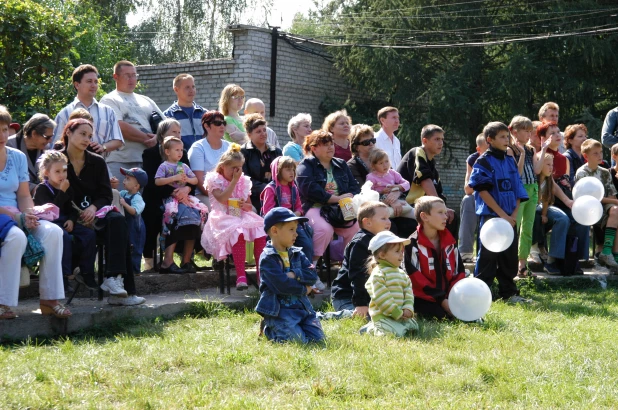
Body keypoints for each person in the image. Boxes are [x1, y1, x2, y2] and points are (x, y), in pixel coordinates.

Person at [59, 118, 145, 305]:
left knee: (118, 221)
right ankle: (125, 293)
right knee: (118, 230)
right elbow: (53, 192)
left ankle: (113, 279)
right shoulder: (58, 160)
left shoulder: (97, 162)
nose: (86, 139)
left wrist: (93, 207)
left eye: (89, 136)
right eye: (82, 134)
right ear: (68, 133)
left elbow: (106, 194)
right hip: (68, 217)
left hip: (96, 213)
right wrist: (77, 214)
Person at [0, 105, 70, 319]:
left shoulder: (18, 156)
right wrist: (16, 217)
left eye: (4, 129)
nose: (2, 135)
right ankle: (4, 303)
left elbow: (23, 194)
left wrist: (29, 214)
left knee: (53, 232)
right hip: (5, 217)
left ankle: (50, 299)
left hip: (17, 213)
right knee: (16, 237)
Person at [468, 121, 530, 304]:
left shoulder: (510, 160)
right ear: (490, 140)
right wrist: (502, 215)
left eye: (507, 136)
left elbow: (518, 188)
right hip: (491, 218)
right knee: (487, 256)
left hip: (510, 218)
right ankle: (481, 293)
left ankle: (509, 293)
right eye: (502, 137)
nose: (507, 140)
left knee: (508, 256)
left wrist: (514, 214)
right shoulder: (483, 161)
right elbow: (482, 190)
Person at [201, 144, 267, 290]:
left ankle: (261, 274)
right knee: (239, 232)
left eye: (240, 167)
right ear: (223, 166)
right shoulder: (214, 179)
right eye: (233, 168)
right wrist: (234, 181)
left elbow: (250, 206)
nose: (237, 171)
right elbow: (223, 199)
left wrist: (245, 205)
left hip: (239, 214)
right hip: (221, 217)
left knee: (261, 230)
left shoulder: (243, 180)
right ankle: (241, 276)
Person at [296, 130, 360, 275]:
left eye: (331, 143)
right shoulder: (305, 166)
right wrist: (337, 198)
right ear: (314, 148)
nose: (331, 147)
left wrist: (347, 197)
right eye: (325, 144)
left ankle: (348, 269)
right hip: (315, 207)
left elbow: (354, 187)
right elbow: (310, 191)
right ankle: (310, 269)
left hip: (341, 208)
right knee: (324, 229)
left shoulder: (341, 164)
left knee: (355, 227)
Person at [256, 207, 324, 343]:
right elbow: (282, 285)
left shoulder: (298, 253)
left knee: (318, 340)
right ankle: (269, 329)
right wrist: (305, 289)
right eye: (291, 229)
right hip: (280, 311)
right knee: (298, 341)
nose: (296, 234)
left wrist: (294, 274)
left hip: (302, 308)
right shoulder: (268, 258)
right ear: (275, 231)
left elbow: (312, 274)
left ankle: (291, 328)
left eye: (296, 229)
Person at [33, 150, 97, 292]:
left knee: (89, 234)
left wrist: (72, 220)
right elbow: (50, 211)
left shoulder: (68, 187)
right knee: (64, 237)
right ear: (46, 173)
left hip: (64, 221)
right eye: (57, 171)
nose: (62, 175)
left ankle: (86, 272)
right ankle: (64, 275)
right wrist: (61, 192)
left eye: (64, 170)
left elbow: (72, 209)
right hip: (49, 223)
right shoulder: (42, 189)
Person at [142, 119, 196, 274]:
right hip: (156, 196)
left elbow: (189, 177)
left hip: (181, 196)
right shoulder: (150, 154)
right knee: (162, 214)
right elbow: (151, 181)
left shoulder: (182, 153)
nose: (178, 135)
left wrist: (186, 188)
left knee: (194, 214)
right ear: (162, 135)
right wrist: (173, 192)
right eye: (174, 132)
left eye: (179, 132)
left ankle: (186, 260)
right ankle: (157, 262)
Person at [101, 60, 164, 180]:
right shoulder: (109, 100)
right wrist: (148, 139)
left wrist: (158, 137)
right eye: (127, 75)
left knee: (144, 199)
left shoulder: (147, 100)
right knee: (122, 197)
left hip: (148, 160)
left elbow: (167, 125)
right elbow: (119, 126)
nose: (132, 79)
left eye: (134, 75)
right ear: (116, 77)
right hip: (121, 161)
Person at [405, 196, 465, 320]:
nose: (446, 217)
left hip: (449, 296)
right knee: (440, 316)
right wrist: (442, 300)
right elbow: (416, 280)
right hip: (423, 297)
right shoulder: (411, 244)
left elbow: (458, 272)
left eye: (445, 212)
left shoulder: (450, 241)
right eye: (440, 213)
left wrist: (452, 297)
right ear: (424, 216)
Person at [330, 201, 391, 319]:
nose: (388, 222)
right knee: (368, 318)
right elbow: (358, 275)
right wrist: (361, 304)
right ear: (367, 222)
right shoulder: (361, 243)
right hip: (347, 296)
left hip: (372, 297)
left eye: (388, 218)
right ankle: (322, 316)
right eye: (383, 218)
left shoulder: (385, 241)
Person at [155, 136, 207, 273]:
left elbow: (195, 180)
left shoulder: (183, 166)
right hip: (171, 201)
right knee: (173, 218)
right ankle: (168, 261)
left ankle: (187, 260)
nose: (180, 153)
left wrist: (187, 179)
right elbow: (157, 182)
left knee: (196, 218)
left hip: (186, 199)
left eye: (181, 150)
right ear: (167, 151)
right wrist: (174, 178)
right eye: (176, 150)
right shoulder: (164, 166)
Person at [398, 124, 458, 238]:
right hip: (405, 207)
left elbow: (439, 193)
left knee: (452, 217)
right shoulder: (417, 152)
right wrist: (441, 209)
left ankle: (448, 254)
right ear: (425, 140)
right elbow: (424, 180)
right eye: (436, 139)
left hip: (420, 208)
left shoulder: (433, 168)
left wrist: (444, 209)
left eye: (442, 139)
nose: (441, 143)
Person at [52, 64, 124, 156]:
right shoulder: (65, 114)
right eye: (89, 81)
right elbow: (55, 144)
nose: (93, 85)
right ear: (77, 85)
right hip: (70, 166)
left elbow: (118, 140)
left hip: (100, 165)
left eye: (96, 82)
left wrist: (103, 147)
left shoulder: (108, 111)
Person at [362, 231, 418, 337]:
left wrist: (408, 308)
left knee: (413, 328)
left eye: (402, 251)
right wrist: (395, 312)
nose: (401, 254)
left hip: (401, 315)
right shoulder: (378, 274)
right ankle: (372, 328)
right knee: (392, 333)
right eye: (397, 251)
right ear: (382, 255)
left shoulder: (402, 274)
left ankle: (398, 326)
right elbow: (381, 296)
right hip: (384, 316)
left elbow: (408, 293)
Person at [575, 139, 618, 271]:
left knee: (616, 211)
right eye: (595, 153)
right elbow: (590, 198)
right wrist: (616, 201)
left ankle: (608, 252)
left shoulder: (605, 172)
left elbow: (611, 194)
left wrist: (615, 202)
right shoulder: (582, 173)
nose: (600, 156)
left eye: (601, 152)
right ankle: (613, 256)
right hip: (587, 207)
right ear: (586, 156)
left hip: (603, 205)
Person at [260, 156, 313, 261]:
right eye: (288, 169)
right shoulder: (271, 189)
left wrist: (294, 216)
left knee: (306, 246)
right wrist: (285, 218)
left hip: (293, 223)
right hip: (277, 226)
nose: (292, 172)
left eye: (293, 169)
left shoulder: (294, 188)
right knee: (281, 251)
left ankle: (307, 272)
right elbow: (268, 211)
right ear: (278, 171)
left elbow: (299, 208)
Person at [509, 115, 543, 278]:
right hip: (519, 190)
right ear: (514, 131)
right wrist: (521, 154)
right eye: (525, 131)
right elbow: (517, 173)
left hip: (533, 188)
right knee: (514, 227)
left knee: (527, 228)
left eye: (530, 131)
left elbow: (537, 171)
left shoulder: (531, 149)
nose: (529, 135)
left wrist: (544, 149)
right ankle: (511, 262)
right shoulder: (510, 149)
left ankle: (522, 264)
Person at [535, 153, 578, 275]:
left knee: (563, 218)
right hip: (531, 208)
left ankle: (552, 260)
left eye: (552, 165)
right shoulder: (533, 177)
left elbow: (546, 199)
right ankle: (537, 250)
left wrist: (567, 201)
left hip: (543, 207)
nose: (551, 168)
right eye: (548, 164)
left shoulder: (549, 179)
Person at [188, 110, 231, 208]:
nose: (222, 126)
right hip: (204, 195)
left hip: (229, 194)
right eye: (217, 123)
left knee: (250, 211)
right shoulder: (198, 148)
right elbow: (200, 182)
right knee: (220, 211)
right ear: (206, 126)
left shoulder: (230, 147)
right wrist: (221, 198)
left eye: (223, 123)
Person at [240, 114, 282, 211]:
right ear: (249, 134)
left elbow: (281, 175)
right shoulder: (243, 152)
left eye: (264, 130)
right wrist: (267, 188)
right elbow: (244, 179)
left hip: (275, 196)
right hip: (252, 198)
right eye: (258, 131)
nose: (263, 133)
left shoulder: (276, 152)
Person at [7, 114, 56, 193]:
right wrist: (34, 188)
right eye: (47, 137)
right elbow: (9, 178)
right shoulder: (9, 145)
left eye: (51, 136)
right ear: (34, 134)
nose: (50, 140)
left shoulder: (46, 148)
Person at [458, 134, 488, 262]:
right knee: (468, 200)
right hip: (479, 195)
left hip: (497, 199)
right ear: (478, 150)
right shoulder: (473, 160)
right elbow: (468, 189)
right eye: (487, 150)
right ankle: (465, 252)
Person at [366, 149, 415, 219]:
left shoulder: (393, 173)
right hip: (382, 201)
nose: (385, 165)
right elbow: (368, 193)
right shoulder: (371, 177)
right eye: (381, 163)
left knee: (414, 213)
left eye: (386, 161)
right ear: (373, 166)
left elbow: (407, 184)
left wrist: (398, 186)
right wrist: (381, 192)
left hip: (397, 198)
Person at [163, 73, 207, 149]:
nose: (191, 90)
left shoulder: (205, 114)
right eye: (187, 87)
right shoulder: (169, 116)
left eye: (193, 87)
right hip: (181, 159)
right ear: (176, 90)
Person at [118, 167, 148, 275]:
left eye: (128, 179)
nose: (124, 180)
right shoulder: (124, 193)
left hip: (136, 228)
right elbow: (116, 195)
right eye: (125, 178)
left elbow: (134, 211)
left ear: (136, 186)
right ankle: (125, 269)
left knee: (134, 247)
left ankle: (135, 270)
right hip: (126, 226)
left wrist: (125, 204)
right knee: (126, 246)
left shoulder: (137, 198)